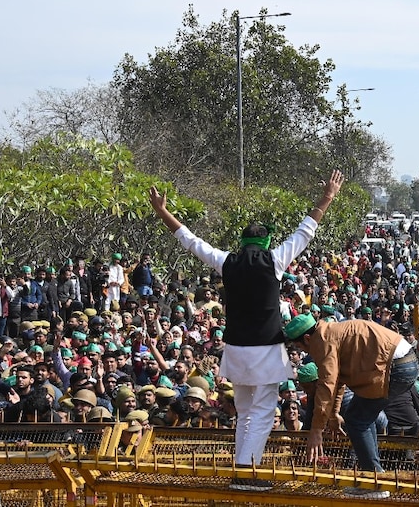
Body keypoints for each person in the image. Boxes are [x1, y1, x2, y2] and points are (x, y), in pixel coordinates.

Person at [147, 169, 343, 491]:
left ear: (242, 243)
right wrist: (327, 197)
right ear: (265, 242)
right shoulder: (275, 259)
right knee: (262, 413)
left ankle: (243, 471)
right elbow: (305, 231)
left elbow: (191, 241)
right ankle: (247, 473)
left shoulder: (227, 262)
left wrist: (162, 212)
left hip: (236, 352)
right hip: (265, 352)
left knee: (246, 412)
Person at [284, 313, 417, 477]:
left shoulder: (322, 341)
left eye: (301, 347)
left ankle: (374, 478)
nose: (304, 351)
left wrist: (317, 429)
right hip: (403, 362)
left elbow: (327, 384)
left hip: (395, 366)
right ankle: (375, 473)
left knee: (356, 419)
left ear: (307, 338)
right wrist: (333, 415)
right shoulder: (330, 332)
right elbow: (338, 379)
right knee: (360, 417)